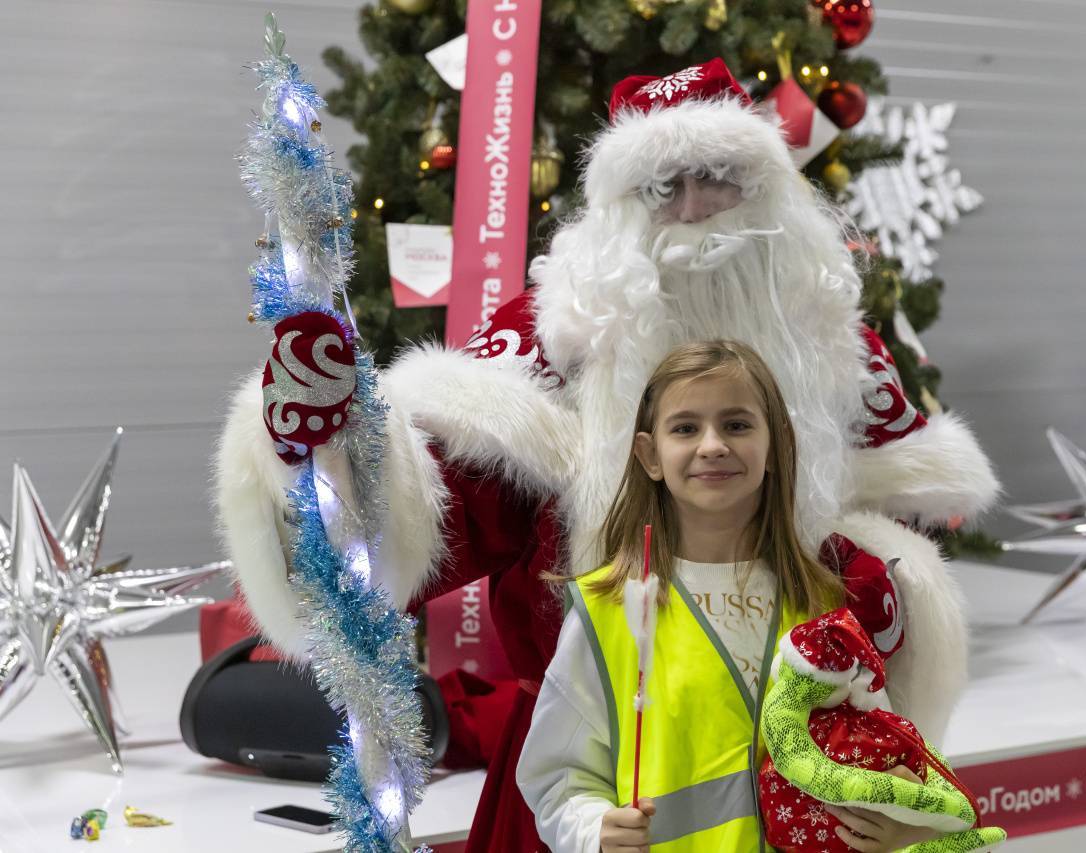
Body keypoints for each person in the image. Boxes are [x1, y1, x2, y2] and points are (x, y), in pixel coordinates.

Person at [214, 58, 998, 853]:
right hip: (585, 787)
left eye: (721, 176)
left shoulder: (836, 351)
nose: (693, 212)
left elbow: (887, 553)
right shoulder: (546, 349)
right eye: (662, 188)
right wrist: (328, 449)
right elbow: (403, 537)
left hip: (807, 791)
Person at [518, 340, 953, 852]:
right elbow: (556, 778)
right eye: (685, 428)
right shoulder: (608, 610)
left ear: (774, 446)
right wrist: (593, 831)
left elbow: (874, 750)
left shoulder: (821, 601)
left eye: (737, 425)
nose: (712, 445)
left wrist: (897, 821)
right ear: (649, 455)